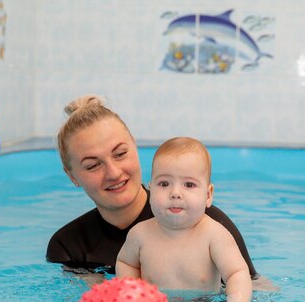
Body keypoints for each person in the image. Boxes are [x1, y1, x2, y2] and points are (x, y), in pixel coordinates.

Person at [46, 95, 275, 290]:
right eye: (92, 165)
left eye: (120, 154)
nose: (113, 173)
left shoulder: (206, 222)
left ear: (135, 147)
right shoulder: (69, 247)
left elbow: (256, 291)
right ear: (72, 176)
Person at [116, 137, 252, 302]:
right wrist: (131, 295)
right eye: (164, 184)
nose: (175, 193)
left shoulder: (214, 235)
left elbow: (237, 273)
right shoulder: (140, 234)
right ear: (150, 189)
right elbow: (126, 263)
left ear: (208, 195)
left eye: (189, 185)